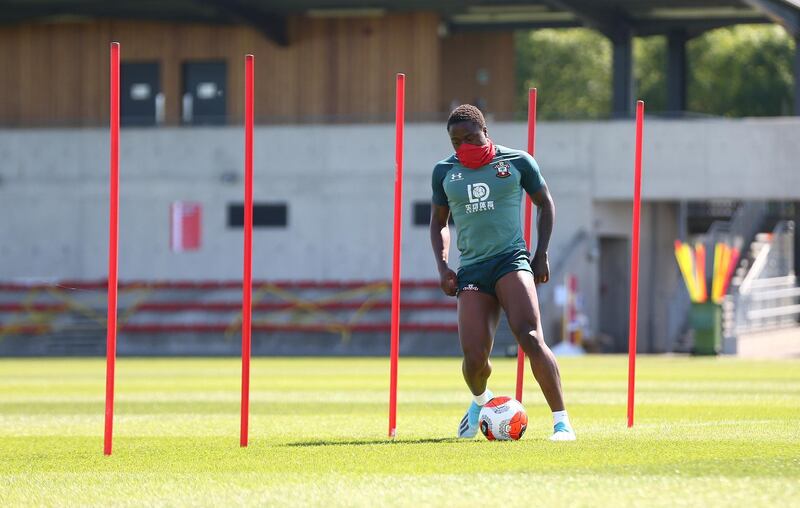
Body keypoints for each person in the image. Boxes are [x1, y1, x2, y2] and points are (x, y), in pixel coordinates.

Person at [429, 104, 576, 441]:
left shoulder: (517, 162)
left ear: (485, 133)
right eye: (456, 142)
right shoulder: (444, 172)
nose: (464, 146)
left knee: (530, 336)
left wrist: (541, 254)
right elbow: (438, 223)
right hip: (472, 270)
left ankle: (562, 422)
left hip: (511, 260)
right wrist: (443, 267)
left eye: (470, 138)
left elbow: (545, 204)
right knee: (474, 357)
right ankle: (481, 402)